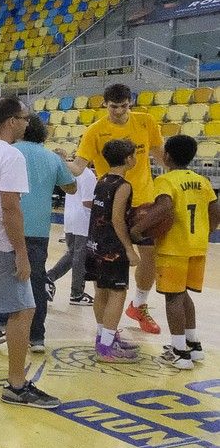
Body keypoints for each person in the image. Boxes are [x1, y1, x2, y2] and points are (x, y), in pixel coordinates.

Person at [0, 97, 60, 409]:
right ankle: (17, 386)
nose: (28, 123)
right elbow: (10, 208)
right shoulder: (11, 156)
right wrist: (21, 253)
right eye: (24, 118)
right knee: (23, 310)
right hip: (0, 244)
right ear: (10, 121)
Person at [74, 83, 165, 334]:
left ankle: (140, 305)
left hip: (144, 203)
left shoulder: (146, 122)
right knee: (107, 273)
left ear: (130, 103)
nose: (119, 111)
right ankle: (105, 332)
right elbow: (79, 166)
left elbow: (160, 156)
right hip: (112, 203)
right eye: (114, 106)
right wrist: (54, 162)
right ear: (105, 104)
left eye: (124, 106)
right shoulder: (95, 131)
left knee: (149, 257)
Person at [3, 114, 75, 352]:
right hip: (38, 229)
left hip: (7, 226)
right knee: (36, 282)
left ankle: (3, 326)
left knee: (1, 278)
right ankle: (37, 337)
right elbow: (71, 187)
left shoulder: (10, 151)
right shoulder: (51, 157)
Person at [147, 135, 218, 368]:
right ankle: (193, 344)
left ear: (166, 155)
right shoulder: (202, 180)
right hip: (197, 246)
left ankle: (179, 351)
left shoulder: (165, 181)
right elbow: (215, 209)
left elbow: (164, 208)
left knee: (173, 297)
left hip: (173, 246)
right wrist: (207, 232)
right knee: (183, 293)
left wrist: (139, 228)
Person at [86, 139, 140, 362]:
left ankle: (103, 337)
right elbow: (118, 220)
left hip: (94, 243)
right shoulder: (123, 185)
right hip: (112, 246)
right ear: (128, 159)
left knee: (101, 291)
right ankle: (107, 348)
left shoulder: (102, 180)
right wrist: (129, 248)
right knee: (118, 292)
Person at [47, 162, 97, 306]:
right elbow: (88, 202)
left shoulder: (71, 172)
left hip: (70, 217)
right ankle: (77, 293)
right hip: (83, 218)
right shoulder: (87, 174)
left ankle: (48, 278)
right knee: (80, 257)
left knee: (72, 253)